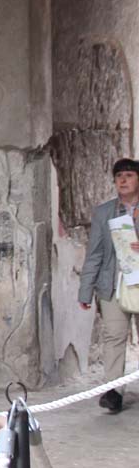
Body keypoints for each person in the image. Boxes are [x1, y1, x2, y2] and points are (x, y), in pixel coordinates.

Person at [79, 157, 139, 413]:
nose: (123, 180)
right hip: (112, 284)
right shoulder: (104, 212)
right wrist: (86, 289)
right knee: (113, 337)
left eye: (129, 175)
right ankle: (113, 391)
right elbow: (94, 253)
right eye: (118, 176)